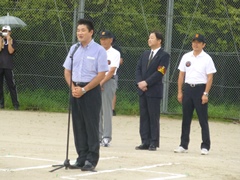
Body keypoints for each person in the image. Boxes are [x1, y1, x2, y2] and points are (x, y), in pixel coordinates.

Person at [63, 19, 108, 171]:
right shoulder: (74, 49)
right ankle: (81, 157)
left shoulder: (99, 50)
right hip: (75, 89)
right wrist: (73, 87)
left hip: (90, 91)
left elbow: (101, 74)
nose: (80, 33)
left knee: (91, 125)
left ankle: (91, 159)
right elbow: (67, 71)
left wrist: (84, 89)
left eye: (83, 30)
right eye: (78, 30)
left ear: (91, 32)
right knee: (78, 125)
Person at [174, 33, 217, 155]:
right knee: (186, 118)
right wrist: (180, 91)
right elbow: (181, 75)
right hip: (188, 89)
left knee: (202, 119)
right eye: (194, 42)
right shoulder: (186, 56)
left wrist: (206, 93)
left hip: (200, 89)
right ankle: (183, 145)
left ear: (203, 44)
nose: (195, 44)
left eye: (198, 42)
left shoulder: (207, 58)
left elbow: (210, 77)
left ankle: (205, 146)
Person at [135, 31, 170, 151]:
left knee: (153, 116)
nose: (149, 40)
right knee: (144, 116)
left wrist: (147, 82)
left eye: (152, 38)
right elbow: (138, 68)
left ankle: (153, 142)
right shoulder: (145, 54)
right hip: (142, 90)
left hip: (154, 91)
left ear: (159, 41)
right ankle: (145, 141)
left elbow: (160, 72)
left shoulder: (164, 55)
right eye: (149, 37)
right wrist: (140, 83)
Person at [99, 30, 120, 147]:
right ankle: (97, 136)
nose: (103, 41)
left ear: (111, 40)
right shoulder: (97, 51)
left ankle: (106, 137)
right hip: (96, 81)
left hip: (108, 81)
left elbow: (111, 71)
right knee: (96, 110)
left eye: (105, 39)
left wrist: (101, 82)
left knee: (107, 110)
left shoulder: (115, 53)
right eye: (101, 39)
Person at [0, 25, 19, 110]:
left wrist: (8, 40)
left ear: (10, 32)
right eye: (4, 31)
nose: (5, 32)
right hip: (0, 66)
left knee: (11, 86)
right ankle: (1, 104)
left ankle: (15, 104)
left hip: (8, 66)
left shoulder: (13, 41)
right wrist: (1, 41)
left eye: (7, 31)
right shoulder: (0, 40)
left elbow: (11, 51)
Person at [111, 35, 123, 116]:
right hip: (101, 73)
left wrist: (112, 64)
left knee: (113, 91)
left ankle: (112, 109)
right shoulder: (101, 48)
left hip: (113, 73)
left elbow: (121, 61)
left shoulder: (117, 49)